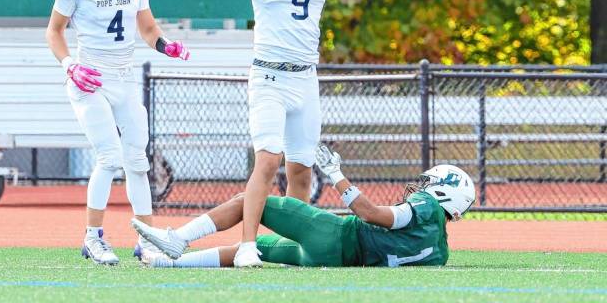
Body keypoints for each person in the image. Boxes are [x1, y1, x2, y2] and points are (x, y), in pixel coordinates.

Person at [114, 0, 447, 267]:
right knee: (268, 159)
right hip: (269, 76)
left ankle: (295, 243)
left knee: (301, 168)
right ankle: (246, 245)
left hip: (305, 78)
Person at [45, 0, 191, 265]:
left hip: (124, 77)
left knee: (138, 162)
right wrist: (70, 65)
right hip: (90, 77)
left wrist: (164, 44)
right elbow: (54, 32)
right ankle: (92, 237)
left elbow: (147, 28)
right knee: (109, 158)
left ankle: (148, 239)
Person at [130, 144, 476, 268]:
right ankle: (166, 265)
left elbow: (372, 215)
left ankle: (181, 238)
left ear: (445, 193)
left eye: (430, 184)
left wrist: (337, 175)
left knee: (251, 200)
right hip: (333, 261)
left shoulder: (426, 208)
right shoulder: (439, 252)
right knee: (253, 250)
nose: (421, 188)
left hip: (335, 235)